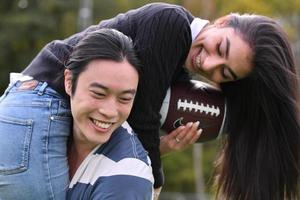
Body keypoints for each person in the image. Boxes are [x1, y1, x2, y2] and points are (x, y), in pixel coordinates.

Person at [1, 2, 299, 199]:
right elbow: (142, 117)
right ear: (222, 22)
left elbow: (130, 119)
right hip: (41, 101)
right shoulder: (171, 24)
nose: (209, 65)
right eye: (220, 47)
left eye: (224, 72)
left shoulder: (176, 62)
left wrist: (162, 147)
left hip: (48, 113)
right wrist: (154, 181)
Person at [64, 28, 153, 199]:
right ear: (69, 82)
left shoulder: (128, 175)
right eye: (98, 94)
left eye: (125, 98)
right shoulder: (40, 127)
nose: (110, 112)